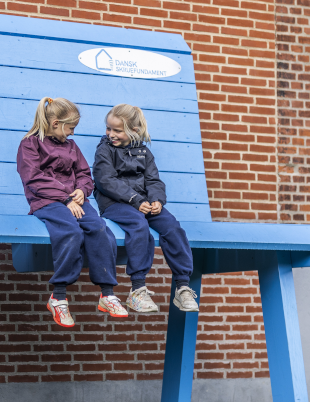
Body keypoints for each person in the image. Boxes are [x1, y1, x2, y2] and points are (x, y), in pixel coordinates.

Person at [16, 97, 128, 327]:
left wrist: (81, 190)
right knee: (71, 232)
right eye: (70, 128)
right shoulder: (29, 144)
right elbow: (34, 179)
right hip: (47, 201)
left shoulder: (71, 147)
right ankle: (58, 297)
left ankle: (107, 294)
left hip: (73, 201)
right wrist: (66, 198)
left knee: (98, 227)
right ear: (56, 123)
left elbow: (85, 174)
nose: (72, 133)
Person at [93, 104, 199, 313]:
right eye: (108, 129)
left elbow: (153, 180)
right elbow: (105, 180)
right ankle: (138, 289)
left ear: (134, 130)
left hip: (142, 202)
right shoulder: (105, 149)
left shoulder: (144, 152)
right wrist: (134, 199)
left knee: (172, 227)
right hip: (115, 203)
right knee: (138, 224)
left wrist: (157, 199)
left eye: (117, 130)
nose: (111, 134)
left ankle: (183, 285)